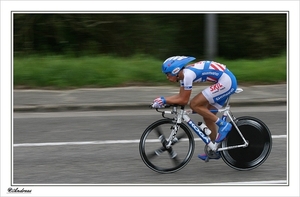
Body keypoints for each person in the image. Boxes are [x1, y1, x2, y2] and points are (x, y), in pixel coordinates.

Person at [151, 56, 237, 161]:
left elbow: (183, 100)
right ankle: (215, 148)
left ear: (175, 71)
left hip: (226, 82)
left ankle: (224, 125)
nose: (167, 77)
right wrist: (163, 101)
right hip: (224, 80)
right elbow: (180, 97)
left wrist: (164, 100)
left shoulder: (187, 75)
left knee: (195, 104)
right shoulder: (183, 76)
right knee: (208, 116)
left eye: (168, 74)